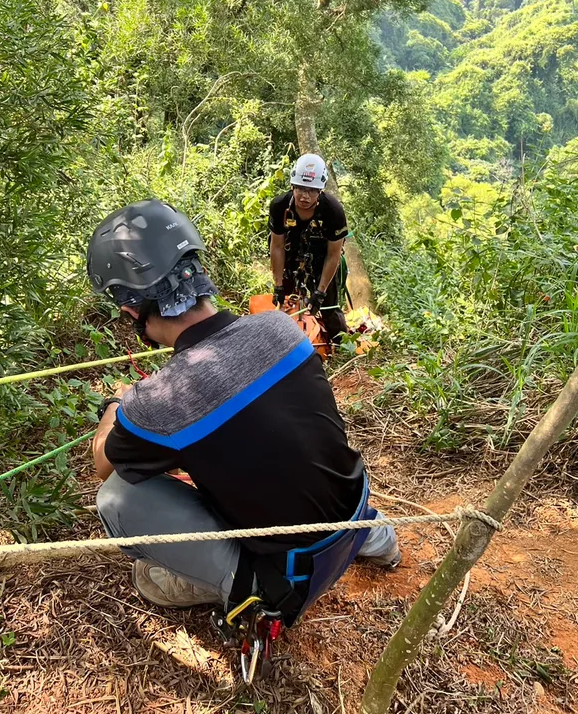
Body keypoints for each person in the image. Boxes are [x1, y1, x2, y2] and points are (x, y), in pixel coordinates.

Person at [87, 198, 400, 619]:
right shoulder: (281, 328)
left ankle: (248, 589)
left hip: (291, 575)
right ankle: (376, 537)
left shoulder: (159, 402)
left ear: (130, 309)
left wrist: (117, 405)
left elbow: (104, 463)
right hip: (355, 516)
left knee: (117, 499)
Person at [269, 153, 349, 344]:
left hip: (323, 257)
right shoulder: (280, 207)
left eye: (312, 191)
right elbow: (277, 246)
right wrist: (278, 284)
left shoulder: (333, 211)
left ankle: (341, 346)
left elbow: (333, 254)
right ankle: (284, 344)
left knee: (329, 307)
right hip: (290, 253)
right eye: (301, 189)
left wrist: (320, 292)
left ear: (320, 190)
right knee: (286, 302)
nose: (305, 196)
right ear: (292, 186)